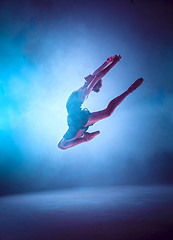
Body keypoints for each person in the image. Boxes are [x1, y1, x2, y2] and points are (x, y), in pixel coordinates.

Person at [58, 55, 144, 150]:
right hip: (77, 119)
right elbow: (96, 74)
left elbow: (98, 76)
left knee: (61, 145)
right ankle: (85, 138)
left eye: (94, 78)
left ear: (93, 83)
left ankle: (85, 139)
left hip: (76, 120)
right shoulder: (83, 88)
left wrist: (114, 63)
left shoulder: (84, 92)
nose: (91, 75)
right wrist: (106, 62)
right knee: (108, 113)